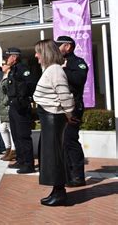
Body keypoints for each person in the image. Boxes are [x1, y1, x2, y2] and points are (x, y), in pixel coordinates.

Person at [33, 39, 75, 206]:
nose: (36, 55)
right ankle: (57, 191)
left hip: (53, 117)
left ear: (46, 53)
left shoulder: (55, 70)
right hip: (49, 117)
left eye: (38, 52)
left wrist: (69, 113)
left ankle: (60, 194)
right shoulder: (51, 69)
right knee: (50, 155)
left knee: (54, 156)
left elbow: (64, 94)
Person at [56, 36, 88, 187]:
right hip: (61, 107)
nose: (57, 48)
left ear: (68, 46)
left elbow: (79, 79)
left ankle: (78, 176)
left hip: (74, 107)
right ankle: (68, 174)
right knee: (63, 142)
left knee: (70, 140)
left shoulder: (78, 62)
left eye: (59, 45)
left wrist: (64, 70)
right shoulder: (59, 63)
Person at [5, 47, 37, 174]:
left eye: (7, 56)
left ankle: (28, 164)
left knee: (23, 135)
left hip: (21, 105)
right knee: (16, 134)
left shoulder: (23, 69)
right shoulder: (13, 70)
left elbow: (30, 84)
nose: (6, 59)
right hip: (13, 105)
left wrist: (23, 99)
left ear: (14, 57)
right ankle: (21, 160)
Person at [0, 61, 16, 161]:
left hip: (7, 107)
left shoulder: (10, 76)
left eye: (4, 64)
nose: (2, 66)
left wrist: (4, 102)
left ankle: (13, 150)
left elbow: (9, 92)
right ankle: (8, 148)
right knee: (2, 128)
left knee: (9, 128)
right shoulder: (4, 77)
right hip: (2, 107)